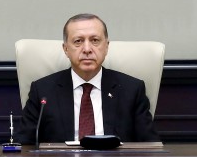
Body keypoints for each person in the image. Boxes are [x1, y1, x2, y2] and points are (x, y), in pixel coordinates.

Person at [17, 13, 160, 144]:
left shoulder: (132, 90)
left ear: (106, 47)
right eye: (78, 41)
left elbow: (151, 146)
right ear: (66, 49)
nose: (87, 49)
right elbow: (24, 146)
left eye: (95, 40)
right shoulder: (42, 91)